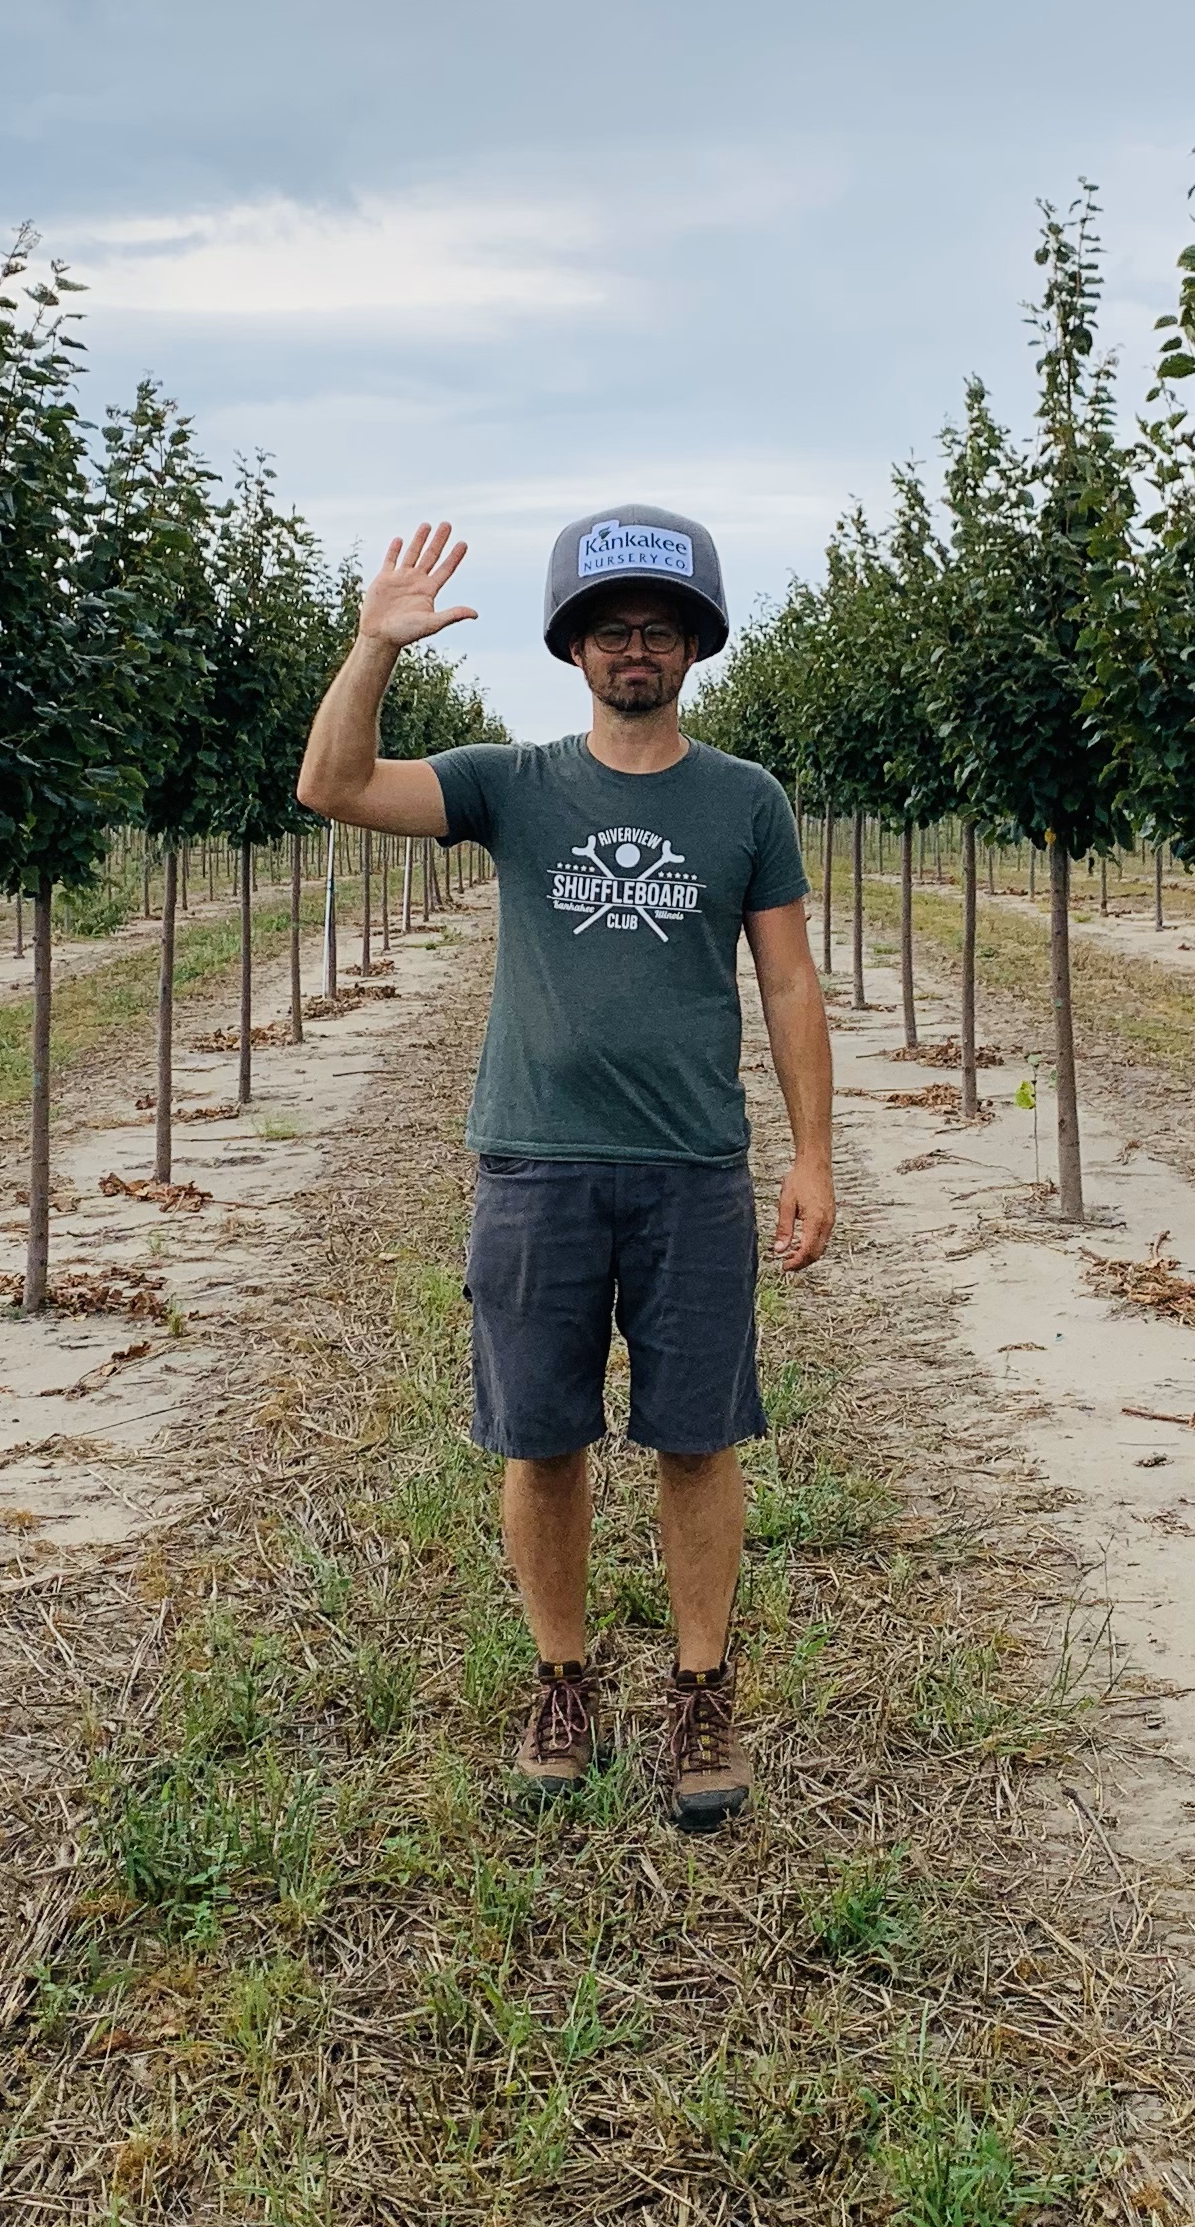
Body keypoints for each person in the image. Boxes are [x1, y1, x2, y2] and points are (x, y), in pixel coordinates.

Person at [296, 504, 835, 1829]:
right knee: (541, 1442)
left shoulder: (744, 801)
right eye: (609, 630)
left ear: (693, 645)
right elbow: (336, 786)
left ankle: (702, 1694)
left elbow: (787, 977)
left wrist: (813, 1152)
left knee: (697, 1439)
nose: (633, 649)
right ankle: (563, 1682)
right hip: (535, 1167)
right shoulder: (510, 785)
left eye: (657, 628)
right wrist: (372, 647)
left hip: (693, 1169)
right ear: (574, 648)